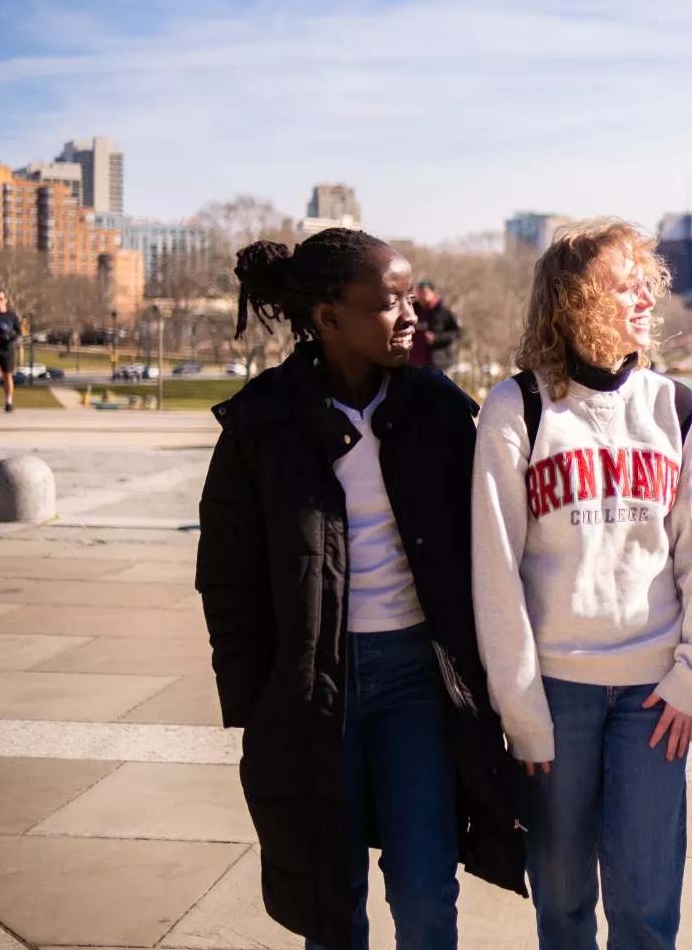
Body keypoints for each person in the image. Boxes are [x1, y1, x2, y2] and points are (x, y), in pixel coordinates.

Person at [195, 228, 525, 950]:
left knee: (428, 887)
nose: (410, 315)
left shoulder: (440, 410)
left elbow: (496, 543)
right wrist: (257, 706)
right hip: (315, 687)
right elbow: (228, 581)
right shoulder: (262, 423)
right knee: (329, 901)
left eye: (411, 297)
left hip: (417, 679)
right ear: (328, 316)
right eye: (388, 303)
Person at [470, 217, 692, 950]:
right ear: (574, 301)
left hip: (655, 698)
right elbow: (495, 571)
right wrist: (521, 710)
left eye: (648, 280)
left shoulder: (675, 409)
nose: (646, 296)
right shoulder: (516, 409)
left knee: (648, 905)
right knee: (560, 900)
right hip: (555, 695)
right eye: (625, 284)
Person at [410, 280, 462, 370]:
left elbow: (457, 333)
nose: (422, 296)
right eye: (419, 293)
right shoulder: (412, 310)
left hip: (436, 363)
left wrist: (437, 338)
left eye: (425, 293)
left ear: (432, 293)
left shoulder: (443, 312)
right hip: (413, 362)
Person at [0, 289, 23, 412]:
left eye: (1, 299)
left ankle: (8, 402)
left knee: (7, 375)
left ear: (5, 300)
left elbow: (19, 333)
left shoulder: (11, 316)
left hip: (7, 349)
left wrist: (11, 337)